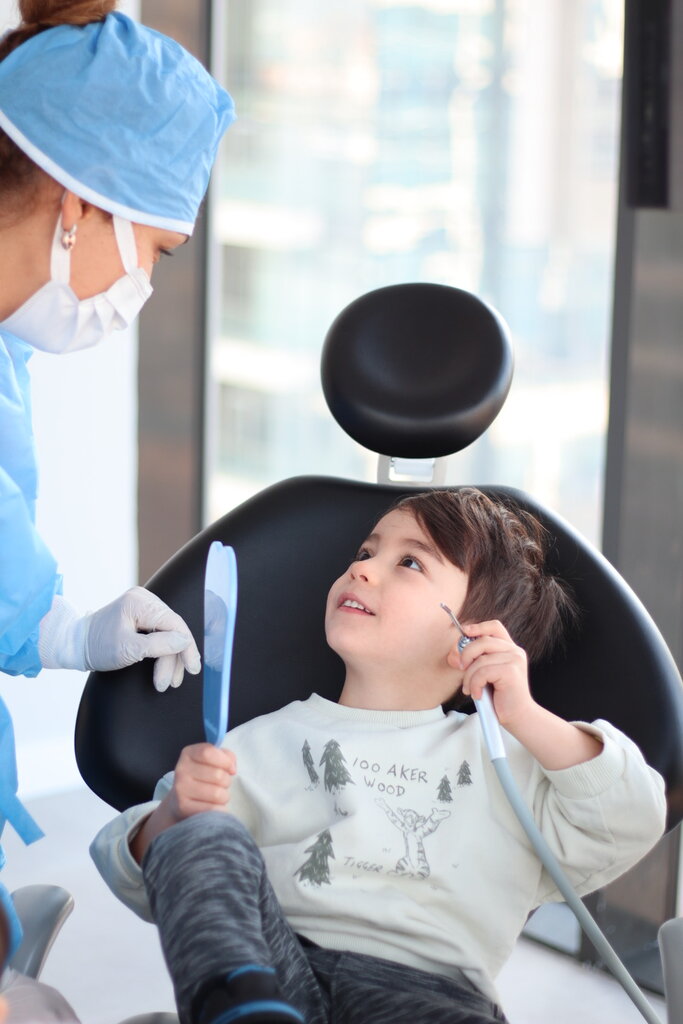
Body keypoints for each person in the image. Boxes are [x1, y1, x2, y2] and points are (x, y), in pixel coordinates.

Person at [91, 488, 666, 1024]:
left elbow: (634, 816)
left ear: (475, 637)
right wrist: (171, 820)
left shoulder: (508, 763)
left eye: (409, 563)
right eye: (366, 551)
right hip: (267, 977)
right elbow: (133, 866)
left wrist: (526, 718)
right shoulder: (256, 743)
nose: (360, 568)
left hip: (430, 995)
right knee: (197, 834)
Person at [0, 0, 235, 1017]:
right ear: (77, 201)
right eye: (158, 250)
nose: (141, 286)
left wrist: (66, 627)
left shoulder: (5, 347)